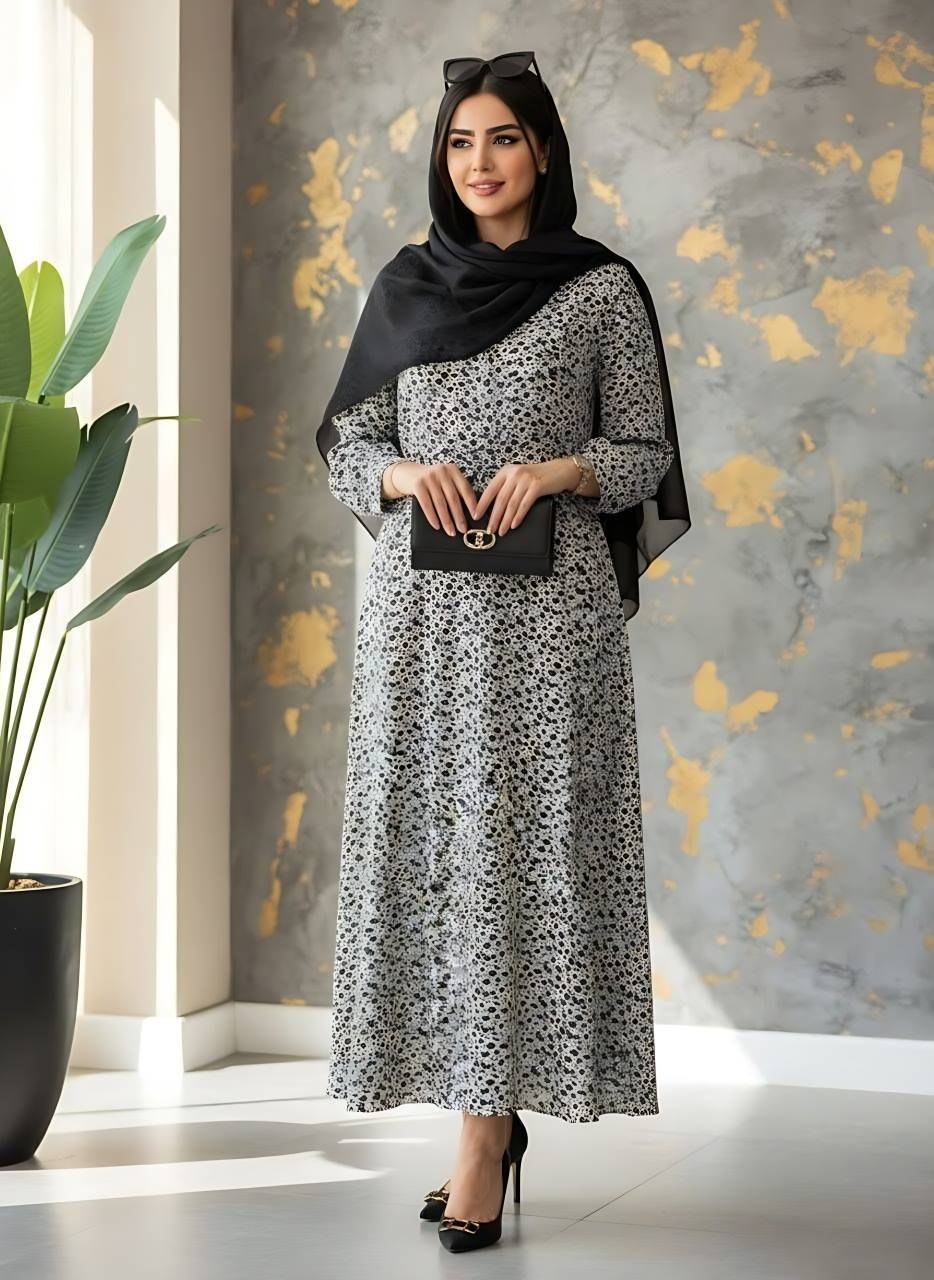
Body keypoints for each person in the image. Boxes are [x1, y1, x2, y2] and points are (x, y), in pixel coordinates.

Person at [316, 51, 690, 1254]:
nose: (479, 162)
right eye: (460, 141)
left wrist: (558, 469)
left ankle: (484, 1136)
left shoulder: (597, 289)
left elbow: (644, 453)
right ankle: (480, 1118)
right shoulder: (405, 283)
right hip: (421, 620)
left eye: (503, 138)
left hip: (546, 627)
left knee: (521, 859)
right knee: (442, 858)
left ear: (543, 151)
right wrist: (400, 472)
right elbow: (346, 446)